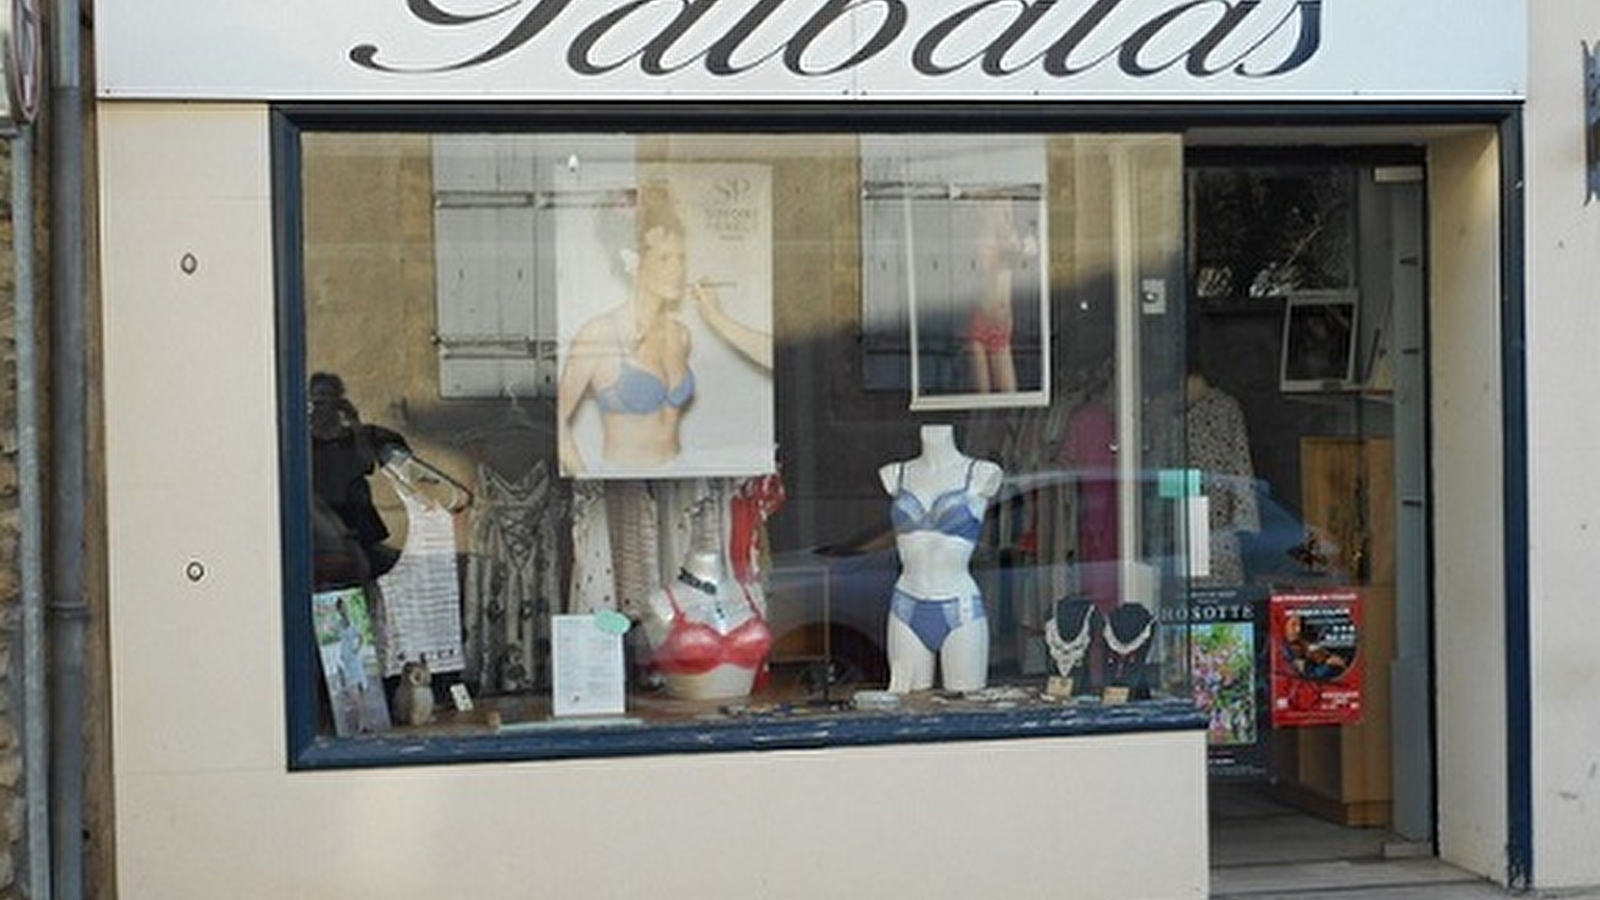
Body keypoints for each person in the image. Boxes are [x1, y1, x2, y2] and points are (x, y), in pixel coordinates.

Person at [557, 182, 699, 476]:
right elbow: (555, 422)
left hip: (680, 475)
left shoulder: (680, 335)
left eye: (681, 258)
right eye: (664, 258)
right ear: (632, 262)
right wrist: (586, 480)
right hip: (622, 481)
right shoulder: (599, 334)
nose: (677, 269)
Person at [879, 424, 1003, 693]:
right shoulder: (896, 474)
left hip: (960, 605)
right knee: (909, 706)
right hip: (906, 604)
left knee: (966, 706)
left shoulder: (981, 473)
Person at [309, 372, 408, 581]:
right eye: (315, 398)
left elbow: (367, 464)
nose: (319, 404)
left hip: (355, 518)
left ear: (338, 401)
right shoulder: (305, 440)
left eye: (325, 397)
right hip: (321, 520)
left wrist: (355, 423)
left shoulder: (352, 436)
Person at [965, 199, 1023, 394]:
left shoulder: (1009, 241)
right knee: (984, 396)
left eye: (1008, 212)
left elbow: (1017, 257)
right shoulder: (984, 240)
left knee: (1008, 395)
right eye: (1003, 211)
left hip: (1000, 323)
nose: (1006, 216)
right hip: (984, 316)